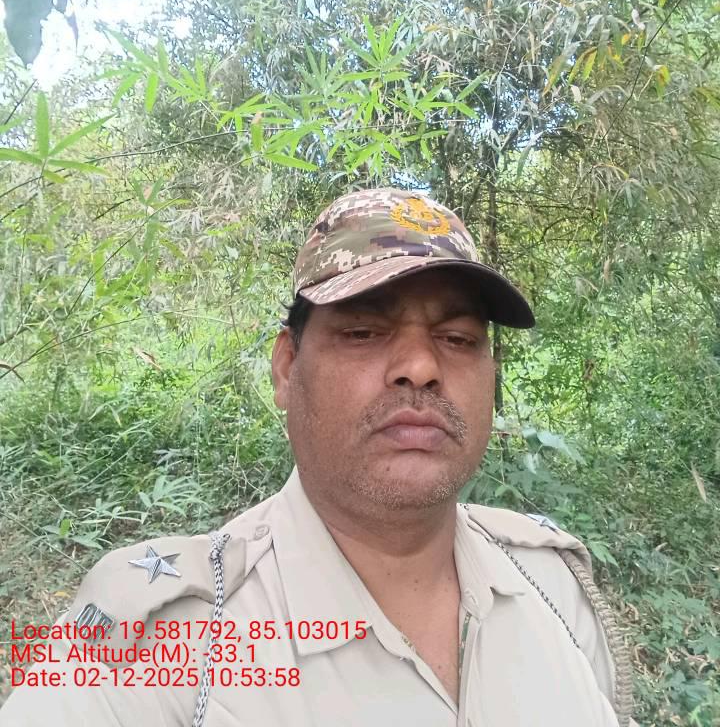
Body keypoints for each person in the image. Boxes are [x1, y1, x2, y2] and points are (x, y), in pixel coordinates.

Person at [0, 187, 637, 726]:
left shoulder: (552, 584)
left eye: (458, 338)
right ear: (287, 368)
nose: (421, 366)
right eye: (363, 331)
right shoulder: (162, 641)